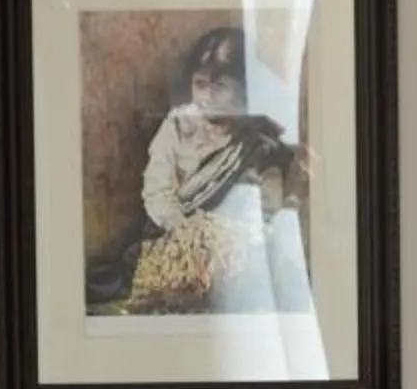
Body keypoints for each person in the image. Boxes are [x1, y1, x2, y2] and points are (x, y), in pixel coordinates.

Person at [120, 26, 312, 317]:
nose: (206, 96)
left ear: (243, 87)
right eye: (200, 84)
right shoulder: (177, 126)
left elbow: (267, 207)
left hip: (240, 252)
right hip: (176, 241)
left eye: (220, 86)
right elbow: (157, 190)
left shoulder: (256, 139)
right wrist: (189, 236)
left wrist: (238, 239)